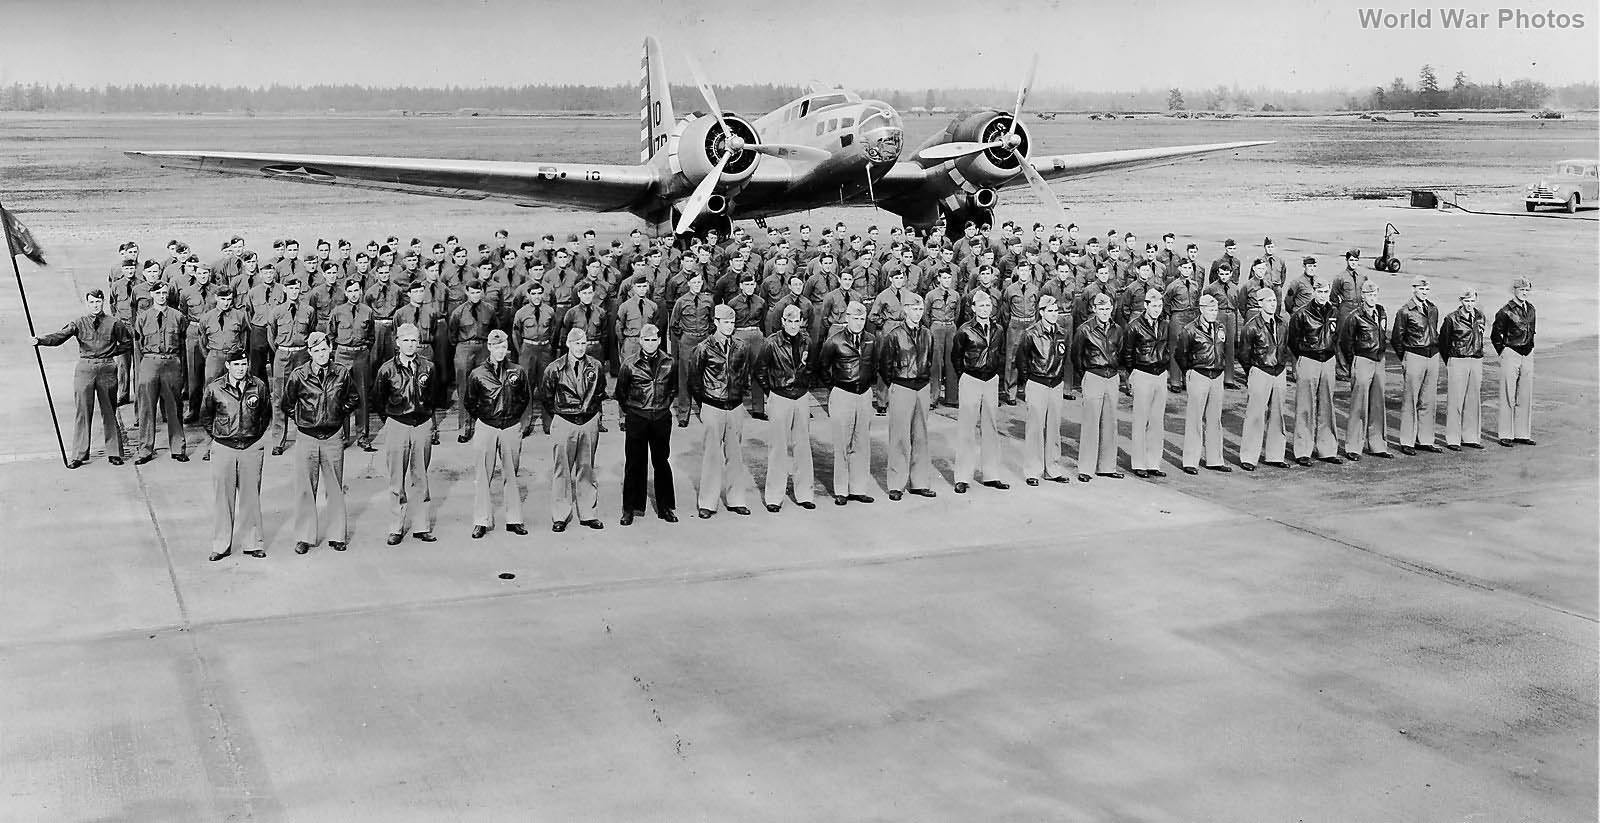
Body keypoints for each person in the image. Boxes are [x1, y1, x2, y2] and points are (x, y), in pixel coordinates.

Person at [279, 332, 359, 554]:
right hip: (307, 438)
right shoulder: (299, 375)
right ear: (310, 353)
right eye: (316, 351)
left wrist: (337, 413)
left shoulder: (341, 373)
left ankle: (337, 535)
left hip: (333, 437)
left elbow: (353, 398)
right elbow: (287, 403)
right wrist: (302, 418)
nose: (321, 354)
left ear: (330, 349)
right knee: (305, 488)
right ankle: (304, 536)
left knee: (334, 487)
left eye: (324, 349)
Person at [33, 289, 131, 468]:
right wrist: (40, 340)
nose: (95, 305)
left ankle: (114, 452)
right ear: (87, 304)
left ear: (103, 302)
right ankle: (79, 454)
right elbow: (59, 337)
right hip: (85, 368)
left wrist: (110, 353)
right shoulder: (78, 323)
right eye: (92, 302)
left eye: (98, 302)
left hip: (107, 367)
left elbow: (127, 343)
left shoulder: (114, 323)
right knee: (83, 411)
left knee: (109, 410)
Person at [199, 347, 271, 561]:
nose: (241, 368)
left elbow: (265, 414)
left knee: (251, 497)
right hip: (224, 448)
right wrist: (220, 436)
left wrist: (254, 436)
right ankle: (221, 545)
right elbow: (205, 416)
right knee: (223, 498)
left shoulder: (258, 386)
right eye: (236, 365)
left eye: (244, 364)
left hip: (250, 447)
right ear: (228, 366)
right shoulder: (214, 388)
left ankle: (253, 542)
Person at [371, 323, 440, 544]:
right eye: (406, 340)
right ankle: (396, 527)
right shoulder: (386, 369)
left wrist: (427, 418)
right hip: (397, 425)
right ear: (397, 342)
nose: (410, 344)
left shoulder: (428, 367)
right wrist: (392, 419)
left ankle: (421, 526)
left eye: (414, 340)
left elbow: (434, 395)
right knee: (396, 479)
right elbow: (378, 400)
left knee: (420, 476)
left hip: (421, 425)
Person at [464, 329, 532, 538]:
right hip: (487, 427)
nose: (500, 351)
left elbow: (524, 398)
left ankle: (514, 520)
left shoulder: (517, 372)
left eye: (504, 347)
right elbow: (470, 402)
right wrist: (486, 417)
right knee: (483, 475)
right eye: (497, 347)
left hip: (510, 427)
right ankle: (481, 520)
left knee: (511, 474)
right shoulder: (477, 374)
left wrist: (513, 418)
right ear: (489, 348)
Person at [689, 304, 754, 517]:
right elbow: (694, 381)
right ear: (715, 322)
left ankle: (736, 499)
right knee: (711, 456)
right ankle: (707, 503)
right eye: (725, 322)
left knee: (735, 456)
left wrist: (738, 396)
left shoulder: (741, 347)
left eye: (732, 322)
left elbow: (744, 375)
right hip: (712, 407)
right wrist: (705, 404)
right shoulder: (703, 348)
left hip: (735, 407)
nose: (729, 326)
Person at [755, 303, 818, 512]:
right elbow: (760, 372)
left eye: (796, 321)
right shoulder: (770, 343)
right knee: (778, 448)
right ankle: (774, 496)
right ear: (782, 322)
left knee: (803, 447)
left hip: (800, 397)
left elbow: (811, 368)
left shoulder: (807, 341)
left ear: (801, 322)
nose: (793, 325)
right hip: (779, 397)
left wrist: (803, 386)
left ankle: (805, 494)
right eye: (789, 321)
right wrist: (772, 392)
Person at [541, 327, 605, 532]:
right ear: (568, 344)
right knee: (562, 469)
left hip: (588, 422)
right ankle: (560, 514)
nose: (580, 347)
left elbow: (600, 391)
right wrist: (562, 414)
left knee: (586, 468)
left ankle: (588, 513)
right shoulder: (554, 368)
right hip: (564, 421)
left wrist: (591, 413)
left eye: (583, 343)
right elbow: (546, 396)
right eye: (576, 343)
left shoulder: (595, 366)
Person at [877, 293, 938, 500]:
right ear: (905, 309)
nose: (918, 313)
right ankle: (896, 483)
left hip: (921, 387)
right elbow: (884, 365)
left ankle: (919, 482)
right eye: (914, 309)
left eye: (920, 309)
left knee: (920, 437)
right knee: (900, 437)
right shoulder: (894, 335)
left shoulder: (927, 334)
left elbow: (930, 360)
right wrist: (896, 383)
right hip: (901, 387)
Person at [816, 301, 878, 505]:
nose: (859, 323)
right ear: (847, 318)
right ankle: (841, 490)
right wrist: (834, 387)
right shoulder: (835, 341)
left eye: (862, 319)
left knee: (861, 443)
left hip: (864, 395)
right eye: (855, 318)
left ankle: (858, 488)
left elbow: (874, 364)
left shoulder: (871, 340)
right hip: (843, 394)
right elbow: (822, 368)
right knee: (842, 443)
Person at [616, 323, 678, 524]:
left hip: (661, 418)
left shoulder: (669, 362)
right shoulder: (629, 364)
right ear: (640, 341)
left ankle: (666, 507)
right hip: (637, 418)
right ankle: (630, 509)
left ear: (659, 340)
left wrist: (662, 406)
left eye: (654, 340)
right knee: (634, 463)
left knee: (662, 462)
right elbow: (621, 392)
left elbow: (673, 389)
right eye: (647, 340)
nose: (651, 344)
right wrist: (634, 410)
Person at [949, 291, 1008, 493]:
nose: (985, 309)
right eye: (981, 306)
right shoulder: (964, 331)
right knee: (966, 429)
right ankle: (963, 477)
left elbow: (1000, 353)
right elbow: (956, 357)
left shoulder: (999, 329)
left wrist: (995, 374)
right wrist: (964, 376)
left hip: (991, 381)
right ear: (973, 308)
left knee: (991, 427)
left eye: (988, 306)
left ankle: (991, 475)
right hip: (971, 379)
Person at [1014, 294, 1071, 484]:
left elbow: (1065, 357)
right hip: (1037, 383)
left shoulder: (1062, 333)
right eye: (1050, 311)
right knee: (1035, 429)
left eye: (1056, 311)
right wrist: (1029, 380)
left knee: (1054, 428)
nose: (1054, 314)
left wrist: (1059, 378)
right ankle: (1033, 470)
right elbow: (1021, 359)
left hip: (1055, 384)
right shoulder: (1031, 333)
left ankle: (1052, 469)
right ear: (1041, 312)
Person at [1286, 280, 1343, 466]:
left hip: (1327, 361)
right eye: (1320, 291)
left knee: (1327, 406)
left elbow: (1338, 336)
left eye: (1326, 291)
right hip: (1309, 359)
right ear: (1314, 292)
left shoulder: (1334, 312)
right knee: (1305, 406)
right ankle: (1303, 450)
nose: (1323, 295)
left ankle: (1327, 449)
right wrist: (1301, 359)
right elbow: (1293, 341)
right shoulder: (1301, 314)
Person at [132, 281, 188, 464]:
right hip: (150, 361)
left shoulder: (178, 316)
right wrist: (143, 367)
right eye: (159, 293)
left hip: (171, 362)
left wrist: (180, 369)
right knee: (146, 408)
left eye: (165, 293)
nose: (162, 296)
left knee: (174, 407)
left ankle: (178, 448)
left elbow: (183, 343)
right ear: (152, 295)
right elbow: (138, 346)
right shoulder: (143, 317)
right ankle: (145, 450)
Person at [1337, 280, 1393, 460]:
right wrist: (1353, 362)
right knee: (1358, 405)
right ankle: (1353, 446)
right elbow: (1345, 342)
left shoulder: (1381, 312)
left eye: (1375, 294)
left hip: (1379, 360)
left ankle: (1377, 444)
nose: (1372, 298)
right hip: (1362, 360)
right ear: (1363, 296)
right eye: (1369, 295)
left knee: (1377, 404)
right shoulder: (1355, 316)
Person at [1236, 288, 1291, 471]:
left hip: (1279, 371)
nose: (1273, 304)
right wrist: (1251, 371)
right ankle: (1249, 456)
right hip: (1260, 370)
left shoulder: (1282, 324)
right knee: (1255, 416)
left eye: (1274, 301)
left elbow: (1285, 346)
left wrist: (1282, 365)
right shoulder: (1251, 326)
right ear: (1260, 304)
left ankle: (1275, 455)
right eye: (1268, 301)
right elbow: (1243, 354)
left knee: (1278, 415)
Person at [1175, 294, 1230, 474]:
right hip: (1199, 374)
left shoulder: (1220, 327)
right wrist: (1189, 372)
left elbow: (1224, 349)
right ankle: (1191, 460)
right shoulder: (1190, 329)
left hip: (1217, 376)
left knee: (1215, 420)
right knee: (1195, 419)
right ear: (1202, 309)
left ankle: (1215, 459)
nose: (1214, 313)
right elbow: (1180, 354)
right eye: (1210, 309)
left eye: (1216, 310)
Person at [1072, 292, 1123, 481]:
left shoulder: (1117, 329)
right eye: (1100, 308)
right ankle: (1086, 468)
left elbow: (1121, 350)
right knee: (1091, 424)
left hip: (1112, 377)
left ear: (1112, 309)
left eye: (1107, 308)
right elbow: (1076, 356)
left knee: (1110, 423)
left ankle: (1107, 466)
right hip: (1093, 375)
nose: (1104, 312)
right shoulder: (1084, 330)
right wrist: (1085, 374)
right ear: (1094, 309)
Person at [1119, 288, 1169, 478]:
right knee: (1140, 420)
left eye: (1160, 306)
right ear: (1145, 306)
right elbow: (1127, 353)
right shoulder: (1134, 326)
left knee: (1157, 421)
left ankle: (1153, 462)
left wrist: (1164, 363)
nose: (1157, 309)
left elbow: (1168, 348)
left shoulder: (1165, 324)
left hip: (1160, 374)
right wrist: (1132, 373)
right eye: (1154, 306)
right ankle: (1139, 462)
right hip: (1142, 373)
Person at [1390, 277, 1441, 455]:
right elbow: (1397, 338)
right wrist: (1405, 358)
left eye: (1426, 289)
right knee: (1410, 400)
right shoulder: (1404, 311)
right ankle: (1407, 441)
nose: (1424, 292)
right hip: (1414, 356)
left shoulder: (1433, 309)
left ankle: (1425, 439)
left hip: (1432, 356)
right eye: (1421, 288)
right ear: (1414, 290)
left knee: (1428, 400)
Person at [327, 279, 376, 450]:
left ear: (361, 291)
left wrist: (364, 350)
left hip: (361, 355)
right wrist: (339, 350)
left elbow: (371, 336)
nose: (354, 294)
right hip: (343, 354)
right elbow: (331, 334)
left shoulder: (368, 311)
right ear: (346, 293)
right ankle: (343, 436)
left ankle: (363, 436)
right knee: (341, 395)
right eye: (351, 291)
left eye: (357, 290)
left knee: (362, 395)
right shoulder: (337, 312)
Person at [1438, 287, 1487, 450]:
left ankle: (1471, 437)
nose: (1469, 304)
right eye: (1466, 301)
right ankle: (1453, 438)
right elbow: (1443, 342)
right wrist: (1451, 360)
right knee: (1455, 401)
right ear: (1460, 301)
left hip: (1476, 359)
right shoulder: (1451, 319)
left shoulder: (1480, 317)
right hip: (1458, 360)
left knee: (1473, 400)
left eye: (1472, 301)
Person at [1491, 277, 1537, 447]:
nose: (1524, 293)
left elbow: (1531, 331)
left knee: (1525, 394)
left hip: (1527, 353)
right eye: (1521, 290)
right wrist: (1503, 351)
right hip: (1511, 352)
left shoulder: (1531, 309)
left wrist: (1530, 347)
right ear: (1514, 291)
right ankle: (1506, 434)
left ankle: (1522, 433)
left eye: (1526, 290)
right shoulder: (1505, 311)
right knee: (1508, 394)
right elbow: (1496, 334)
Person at [449, 280, 495, 442]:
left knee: (485, 387)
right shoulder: (458, 312)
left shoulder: (489, 310)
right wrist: (463, 347)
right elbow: (452, 335)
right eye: (472, 292)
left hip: (483, 348)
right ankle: (465, 428)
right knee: (464, 389)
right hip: (464, 349)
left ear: (482, 292)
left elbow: (494, 330)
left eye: (478, 292)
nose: (475, 295)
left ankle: (485, 426)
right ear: (466, 292)